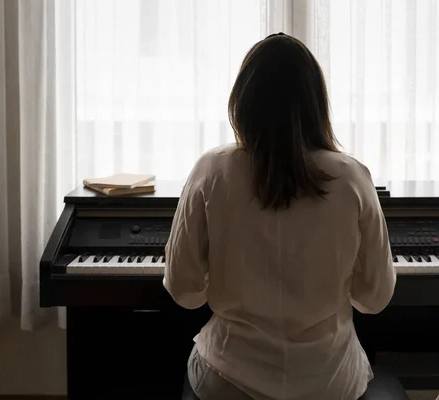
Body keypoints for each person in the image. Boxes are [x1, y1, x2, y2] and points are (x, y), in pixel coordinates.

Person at [164, 32, 396, 400]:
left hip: (227, 378)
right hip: (330, 382)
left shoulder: (211, 170)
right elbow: (376, 298)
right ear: (316, 104)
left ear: (242, 101)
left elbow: (183, 290)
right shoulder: (352, 177)